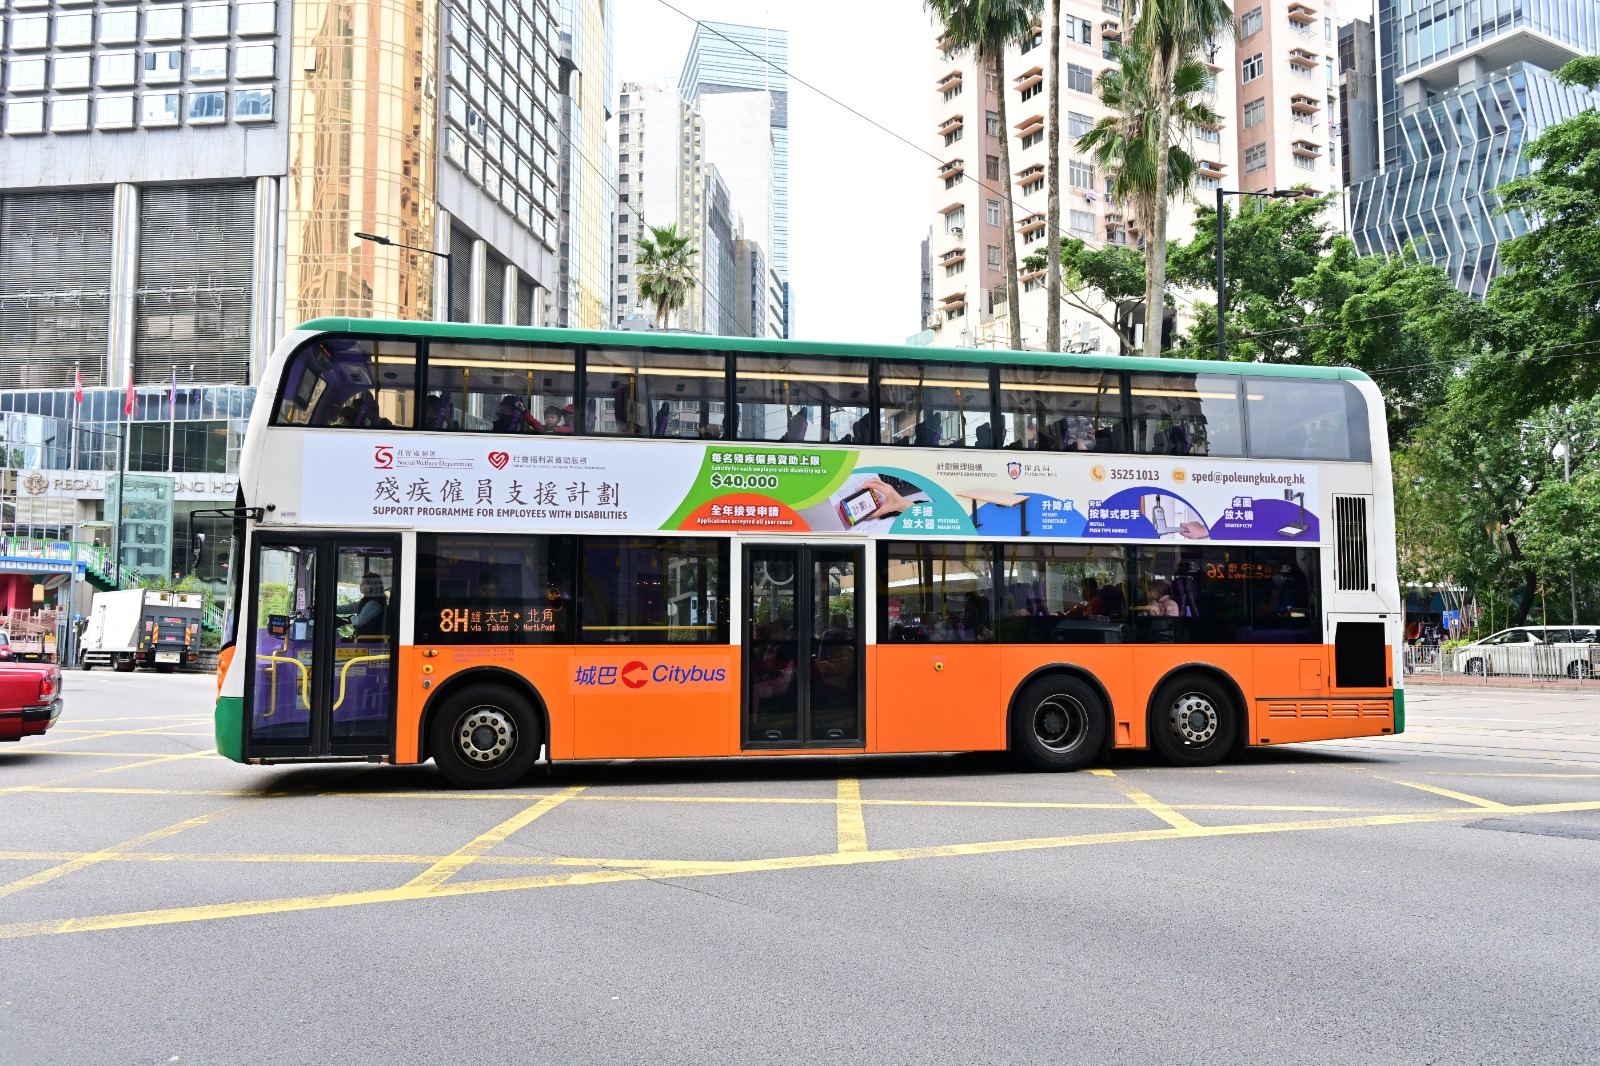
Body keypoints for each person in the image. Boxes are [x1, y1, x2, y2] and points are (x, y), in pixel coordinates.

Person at [343, 572, 389, 638]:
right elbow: (348, 608)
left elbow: (359, 621)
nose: (360, 585)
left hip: (368, 640)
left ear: (370, 586)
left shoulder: (373, 604)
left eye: (363, 583)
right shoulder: (367, 601)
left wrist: (351, 618)